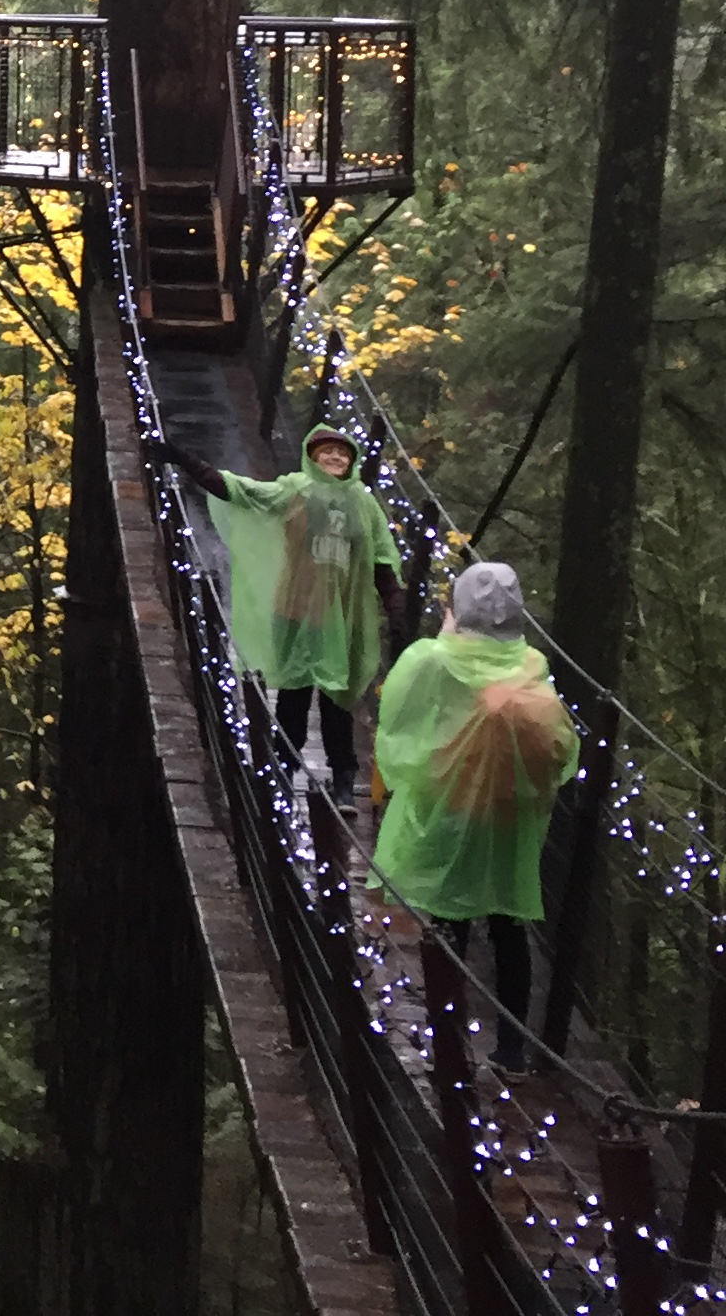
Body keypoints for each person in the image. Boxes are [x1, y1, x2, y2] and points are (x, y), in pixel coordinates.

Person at [371, 560, 580, 1073]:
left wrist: (445, 636)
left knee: (450, 922)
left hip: (455, 806)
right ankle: (511, 1050)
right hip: (510, 813)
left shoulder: (437, 659)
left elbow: (396, 708)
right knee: (508, 926)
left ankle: (448, 1042)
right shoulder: (530, 665)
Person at [143, 422, 402, 808]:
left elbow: (382, 558)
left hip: (342, 617)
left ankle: (343, 781)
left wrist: (396, 608)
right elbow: (243, 492)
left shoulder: (364, 506)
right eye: (327, 451)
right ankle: (283, 770)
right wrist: (186, 461)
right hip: (296, 608)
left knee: (337, 701)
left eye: (343, 452)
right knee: (294, 697)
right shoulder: (294, 490)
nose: (336, 457)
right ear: (312, 457)